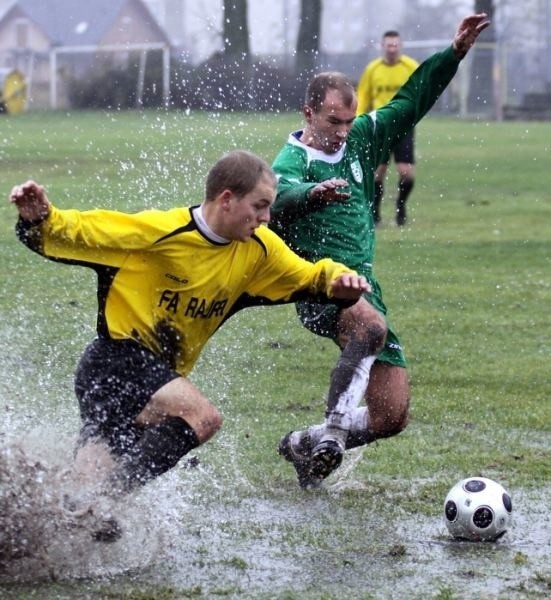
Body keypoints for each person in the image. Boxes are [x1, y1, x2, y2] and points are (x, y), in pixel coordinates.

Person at [9, 150, 369, 539]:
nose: (267, 217)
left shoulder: (259, 249)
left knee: (76, 503)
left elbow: (309, 275)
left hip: (150, 379)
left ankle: (28, 533)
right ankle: (110, 498)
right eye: (260, 206)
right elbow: (83, 229)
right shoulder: (160, 232)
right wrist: (41, 218)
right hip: (115, 360)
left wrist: (339, 280)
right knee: (203, 417)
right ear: (227, 199)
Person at [270, 14, 490, 489]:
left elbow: (410, 101)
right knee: (369, 325)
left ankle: (302, 443)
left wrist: (451, 56)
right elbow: (275, 201)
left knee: (392, 415)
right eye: (334, 121)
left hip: (367, 287)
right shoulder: (291, 161)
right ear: (308, 113)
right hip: (317, 284)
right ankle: (331, 430)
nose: (345, 130)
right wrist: (310, 195)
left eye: (349, 120)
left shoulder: (362, 138)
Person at [356, 30, 419, 226]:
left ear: (400, 46)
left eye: (395, 45)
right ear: (382, 46)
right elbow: (363, 97)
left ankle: (401, 207)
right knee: (377, 173)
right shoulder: (372, 69)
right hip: (379, 128)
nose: (392, 48)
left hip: (403, 126)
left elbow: (421, 91)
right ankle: (375, 213)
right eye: (388, 45)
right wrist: (358, 120)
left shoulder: (411, 67)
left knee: (406, 172)